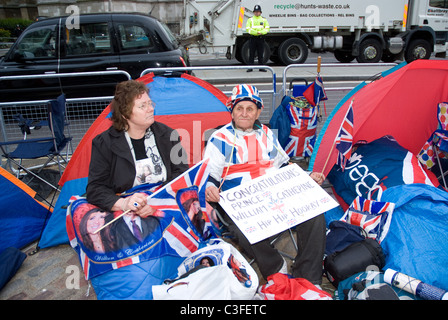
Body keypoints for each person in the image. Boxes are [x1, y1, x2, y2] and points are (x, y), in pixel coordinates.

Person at [203, 84, 326, 285]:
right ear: (232, 111)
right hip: (240, 206)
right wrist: (209, 189)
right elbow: (210, 179)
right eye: (239, 109)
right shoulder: (219, 139)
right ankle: (276, 269)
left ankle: (309, 278)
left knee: (315, 215)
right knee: (244, 228)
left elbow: (286, 166)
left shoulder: (267, 134)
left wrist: (308, 176)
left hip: (274, 198)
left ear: (258, 111)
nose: (244, 113)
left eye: (250, 109)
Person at [86, 80, 189, 216]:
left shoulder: (167, 135)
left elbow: (182, 173)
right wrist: (124, 203)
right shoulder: (104, 143)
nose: (151, 109)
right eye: (142, 106)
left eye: (150, 103)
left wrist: (155, 202)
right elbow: (95, 188)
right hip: (126, 205)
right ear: (125, 114)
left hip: (164, 201)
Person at [246, 5, 270, 72]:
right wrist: (257, 32)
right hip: (253, 38)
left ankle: (261, 67)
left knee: (260, 53)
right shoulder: (250, 20)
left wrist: (261, 32)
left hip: (260, 38)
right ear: (253, 12)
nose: (257, 13)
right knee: (251, 53)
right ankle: (250, 67)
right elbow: (248, 29)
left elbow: (267, 28)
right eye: (255, 12)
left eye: (258, 12)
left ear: (260, 12)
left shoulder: (263, 20)